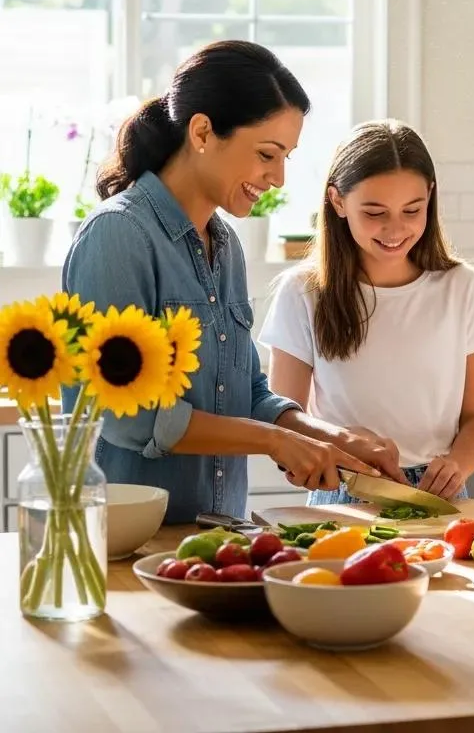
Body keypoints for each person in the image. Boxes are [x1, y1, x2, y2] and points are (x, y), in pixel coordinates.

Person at [62, 41, 402, 524]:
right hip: (122, 541)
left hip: (213, 533)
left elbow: (246, 391)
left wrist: (332, 437)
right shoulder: (119, 235)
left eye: (286, 157)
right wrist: (275, 442)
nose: (279, 178)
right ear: (202, 131)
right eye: (267, 153)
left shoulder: (225, 246)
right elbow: (128, 415)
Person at [258, 120, 474, 503]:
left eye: (412, 210)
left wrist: (457, 464)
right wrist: (336, 446)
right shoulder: (302, 293)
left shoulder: (462, 287)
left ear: (431, 197)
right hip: (346, 486)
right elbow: (282, 419)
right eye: (375, 212)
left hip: (437, 494)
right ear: (338, 201)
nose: (395, 229)